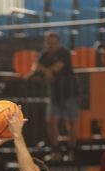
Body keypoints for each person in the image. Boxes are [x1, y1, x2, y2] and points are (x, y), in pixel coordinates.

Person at [28, 31, 80, 161]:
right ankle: (56, 151)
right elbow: (35, 67)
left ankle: (71, 152)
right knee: (51, 122)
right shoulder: (44, 55)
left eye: (54, 43)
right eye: (49, 43)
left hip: (69, 93)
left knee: (71, 123)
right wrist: (46, 71)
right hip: (54, 95)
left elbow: (58, 67)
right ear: (46, 43)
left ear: (59, 43)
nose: (52, 45)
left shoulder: (65, 53)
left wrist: (45, 69)